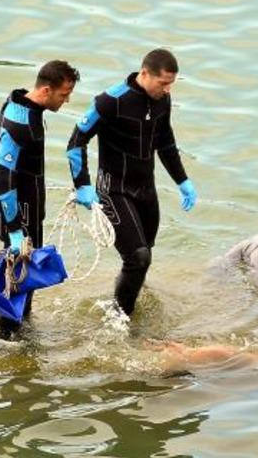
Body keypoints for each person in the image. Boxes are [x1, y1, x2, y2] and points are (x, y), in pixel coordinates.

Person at [66, 49, 197, 316]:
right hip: (114, 190)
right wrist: (82, 184)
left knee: (144, 256)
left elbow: (166, 142)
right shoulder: (110, 101)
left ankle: (127, 307)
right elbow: (76, 142)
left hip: (145, 190)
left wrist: (182, 180)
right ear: (145, 73)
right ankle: (119, 320)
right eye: (163, 83)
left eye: (171, 84)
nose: (168, 89)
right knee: (138, 257)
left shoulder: (163, 100)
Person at [0, 60, 80, 340]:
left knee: (25, 284)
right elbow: (3, 181)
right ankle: (4, 344)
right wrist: (15, 231)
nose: (66, 100)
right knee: (16, 287)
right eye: (64, 94)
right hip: (18, 213)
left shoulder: (23, 104)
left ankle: (22, 341)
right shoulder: (19, 123)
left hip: (27, 210)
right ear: (46, 90)